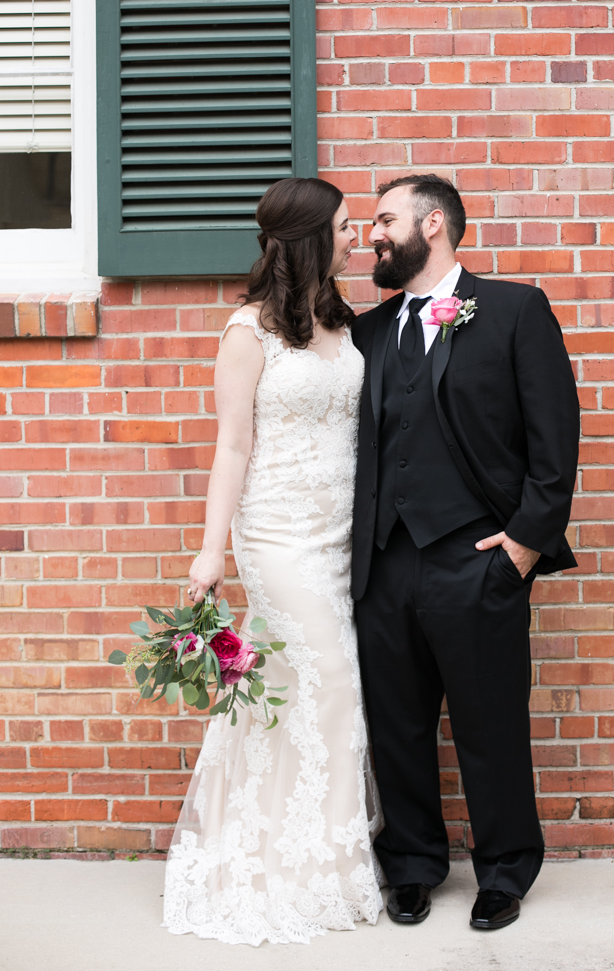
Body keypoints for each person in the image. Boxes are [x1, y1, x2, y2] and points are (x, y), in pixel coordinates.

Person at [351, 174, 580, 931]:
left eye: (384, 220)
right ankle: (412, 865)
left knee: (489, 726)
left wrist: (522, 545)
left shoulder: (514, 310)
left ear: (435, 223)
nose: (373, 235)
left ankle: (505, 871)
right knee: (398, 725)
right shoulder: (368, 333)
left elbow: (555, 438)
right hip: (387, 563)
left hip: (478, 559)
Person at [163, 178, 383, 947]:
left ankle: (319, 852)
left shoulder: (339, 321)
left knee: (314, 692)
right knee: (326, 677)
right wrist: (209, 551)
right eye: (349, 228)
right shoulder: (246, 331)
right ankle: (283, 862)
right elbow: (232, 445)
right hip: (278, 535)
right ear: (311, 236)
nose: (361, 239)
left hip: (337, 537)